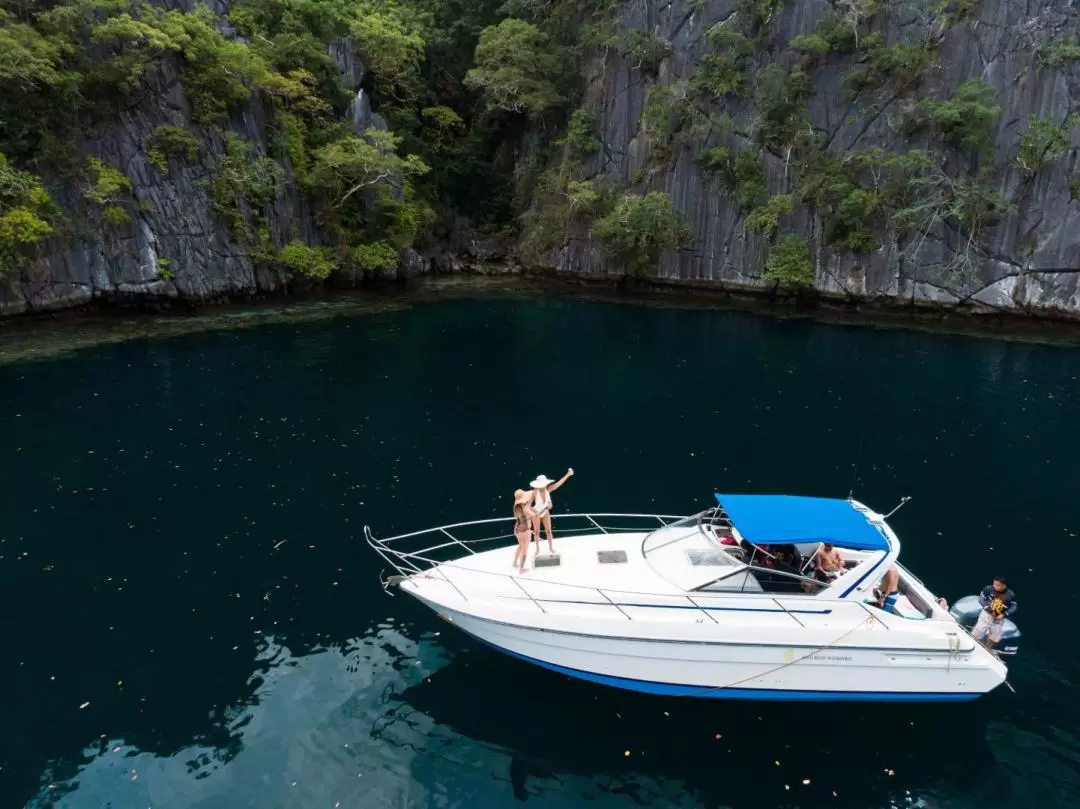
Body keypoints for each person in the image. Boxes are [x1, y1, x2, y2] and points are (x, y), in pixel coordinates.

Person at [529, 468, 573, 555]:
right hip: (536, 514)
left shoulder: (548, 489)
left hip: (545, 513)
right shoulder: (534, 492)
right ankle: (537, 550)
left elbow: (559, 483)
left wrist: (568, 474)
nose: (543, 486)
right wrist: (534, 512)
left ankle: (551, 548)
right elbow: (528, 506)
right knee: (537, 532)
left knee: (548, 531)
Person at [971, 576, 1017, 651]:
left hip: (999, 617)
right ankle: (972, 645)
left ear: (1004, 585)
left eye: (997, 585)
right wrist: (989, 610)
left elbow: (1013, 606)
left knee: (995, 634)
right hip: (987, 614)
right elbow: (982, 599)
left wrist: (1004, 615)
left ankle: (987, 649)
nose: (995, 586)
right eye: (994, 584)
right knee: (979, 630)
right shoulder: (988, 589)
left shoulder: (1010, 595)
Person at [511, 489, 536, 574]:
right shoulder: (525, 508)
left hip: (517, 529)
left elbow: (518, 519)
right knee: (525, 550)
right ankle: (521, 569)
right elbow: (535, 515)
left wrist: (515, 529)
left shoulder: (516, 507)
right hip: (525, 531)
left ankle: (514, 563)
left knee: (520, 546)